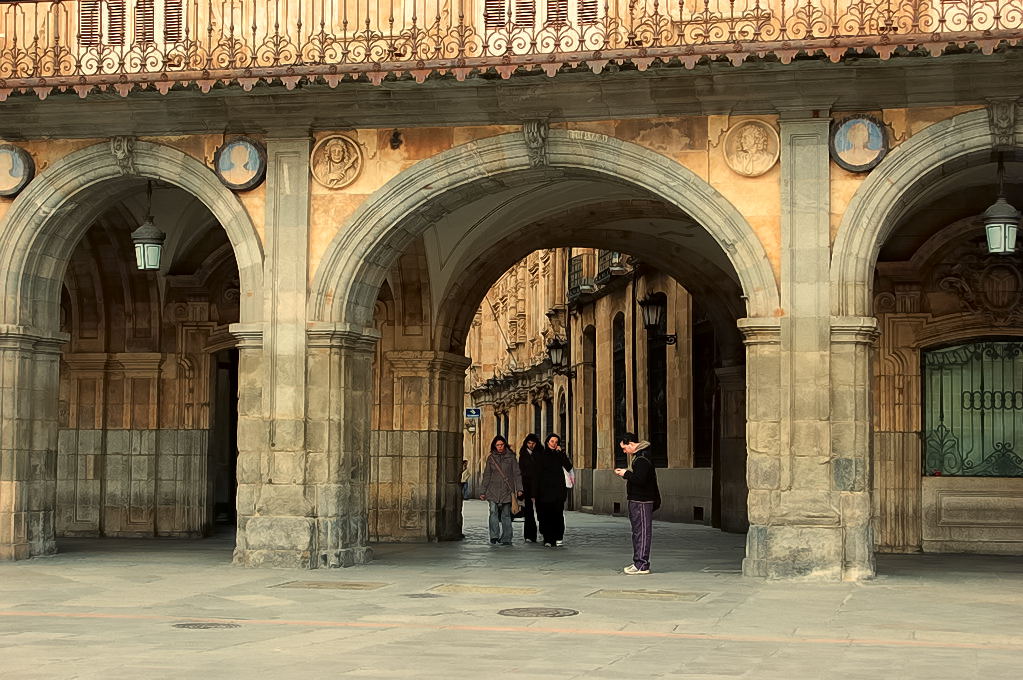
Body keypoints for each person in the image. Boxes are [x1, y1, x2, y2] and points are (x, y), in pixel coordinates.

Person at [614, 432, 660, 575]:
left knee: (642, 533)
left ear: (631, 444)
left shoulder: (642, 458)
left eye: (624, 448)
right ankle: (638, 561)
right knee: (637, 532)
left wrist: (625, 474)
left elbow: (640, 480)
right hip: (637, 499)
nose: (624, 451)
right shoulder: (639, 458)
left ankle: (642, 564)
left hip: (642, 500)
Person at [479, 435, 522, 545]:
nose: (500, 447)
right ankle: (494, 536)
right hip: (492, 490)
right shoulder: (491, 458)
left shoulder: (511, 457)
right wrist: (482, 491)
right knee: (493, 512)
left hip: (507, 490)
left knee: (506, 514)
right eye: (497, 445)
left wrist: (519, 489)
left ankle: (506, 537)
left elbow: (517, 474)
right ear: (494, 446)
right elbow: (487, 475)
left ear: (505, 445)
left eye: (501, 444)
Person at [532, 433, 572, 547]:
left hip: (558, 491)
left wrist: (562, 453)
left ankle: (558, 537)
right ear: (547, 442)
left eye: (556, 442)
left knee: (558, 515)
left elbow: (568, 467)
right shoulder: (541, 455)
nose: (554, 444)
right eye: (552, 441)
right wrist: (534, 492)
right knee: (546, 515)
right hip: (544, 491)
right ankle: (548, 538)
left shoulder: (559, 455)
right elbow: (536, 475)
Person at [517, 433, 542, 543]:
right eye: (529, 443)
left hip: (539, 487)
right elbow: (520, 472)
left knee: (541, 512)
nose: (531, 445)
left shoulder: (540, 454)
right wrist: (520, 488)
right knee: (528, 513)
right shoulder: (522, 454)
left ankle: (544, 531)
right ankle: (529, 535)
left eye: (533, 443)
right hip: (526, 487)